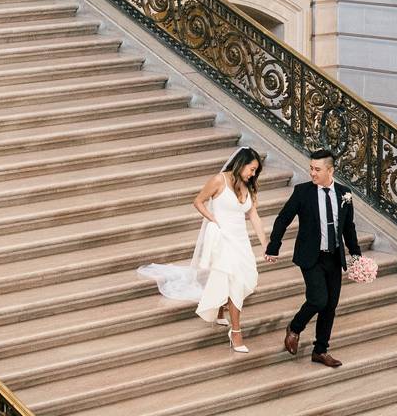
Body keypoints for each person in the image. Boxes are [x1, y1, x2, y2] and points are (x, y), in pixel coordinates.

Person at [139, 146, 266, 352]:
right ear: (241, 164)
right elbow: (198, 201)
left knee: (246, 279)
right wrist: (213, 220)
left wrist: (267, 245)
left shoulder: (249, 186)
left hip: (241, 241)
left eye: (255, 171)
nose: (253, 174)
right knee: (235, 280)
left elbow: (254, 216)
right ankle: (236, 333)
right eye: (251, 169)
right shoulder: (219, 180)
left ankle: (220, 311)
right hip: (222, 239)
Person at [264, 149, 361, 367]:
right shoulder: (302, 192)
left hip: (334, 258)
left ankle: (320, 351)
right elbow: (283, 219)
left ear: (330, 170)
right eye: (311, 168)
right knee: (318, 299)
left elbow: (348, 228)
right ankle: (295, 327)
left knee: (330, 306)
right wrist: (274, 246)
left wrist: (356, 256)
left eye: (317, 169)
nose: (312, 173)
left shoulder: (344, 194)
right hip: (311, 257)